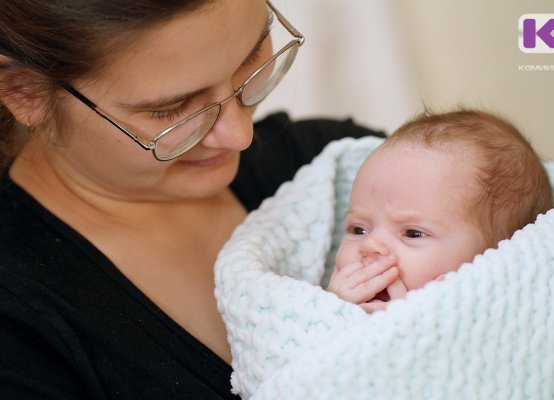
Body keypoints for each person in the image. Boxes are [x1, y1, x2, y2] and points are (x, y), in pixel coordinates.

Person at [0, 1, 384, 398]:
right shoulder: (17, 331)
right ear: (25, 93)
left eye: (250, 58)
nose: (240, 136)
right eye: (171, 111)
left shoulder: (340, 168)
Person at [327, 110, 554, 313]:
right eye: (358, 229)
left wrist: (413, 324)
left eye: (412, 234)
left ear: (489, 261)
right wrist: (331, 308)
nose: (369, 246)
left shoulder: (480, 322)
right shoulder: (328, 304)